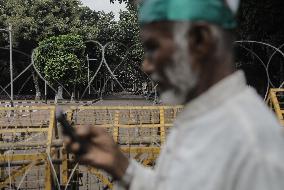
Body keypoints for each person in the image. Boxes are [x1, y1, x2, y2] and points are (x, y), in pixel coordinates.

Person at [65, 0, 284, 189]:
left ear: (199, 39)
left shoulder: (252, 146)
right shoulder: (203, 118)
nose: (146, 66)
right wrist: (121, 166)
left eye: (153, 47)